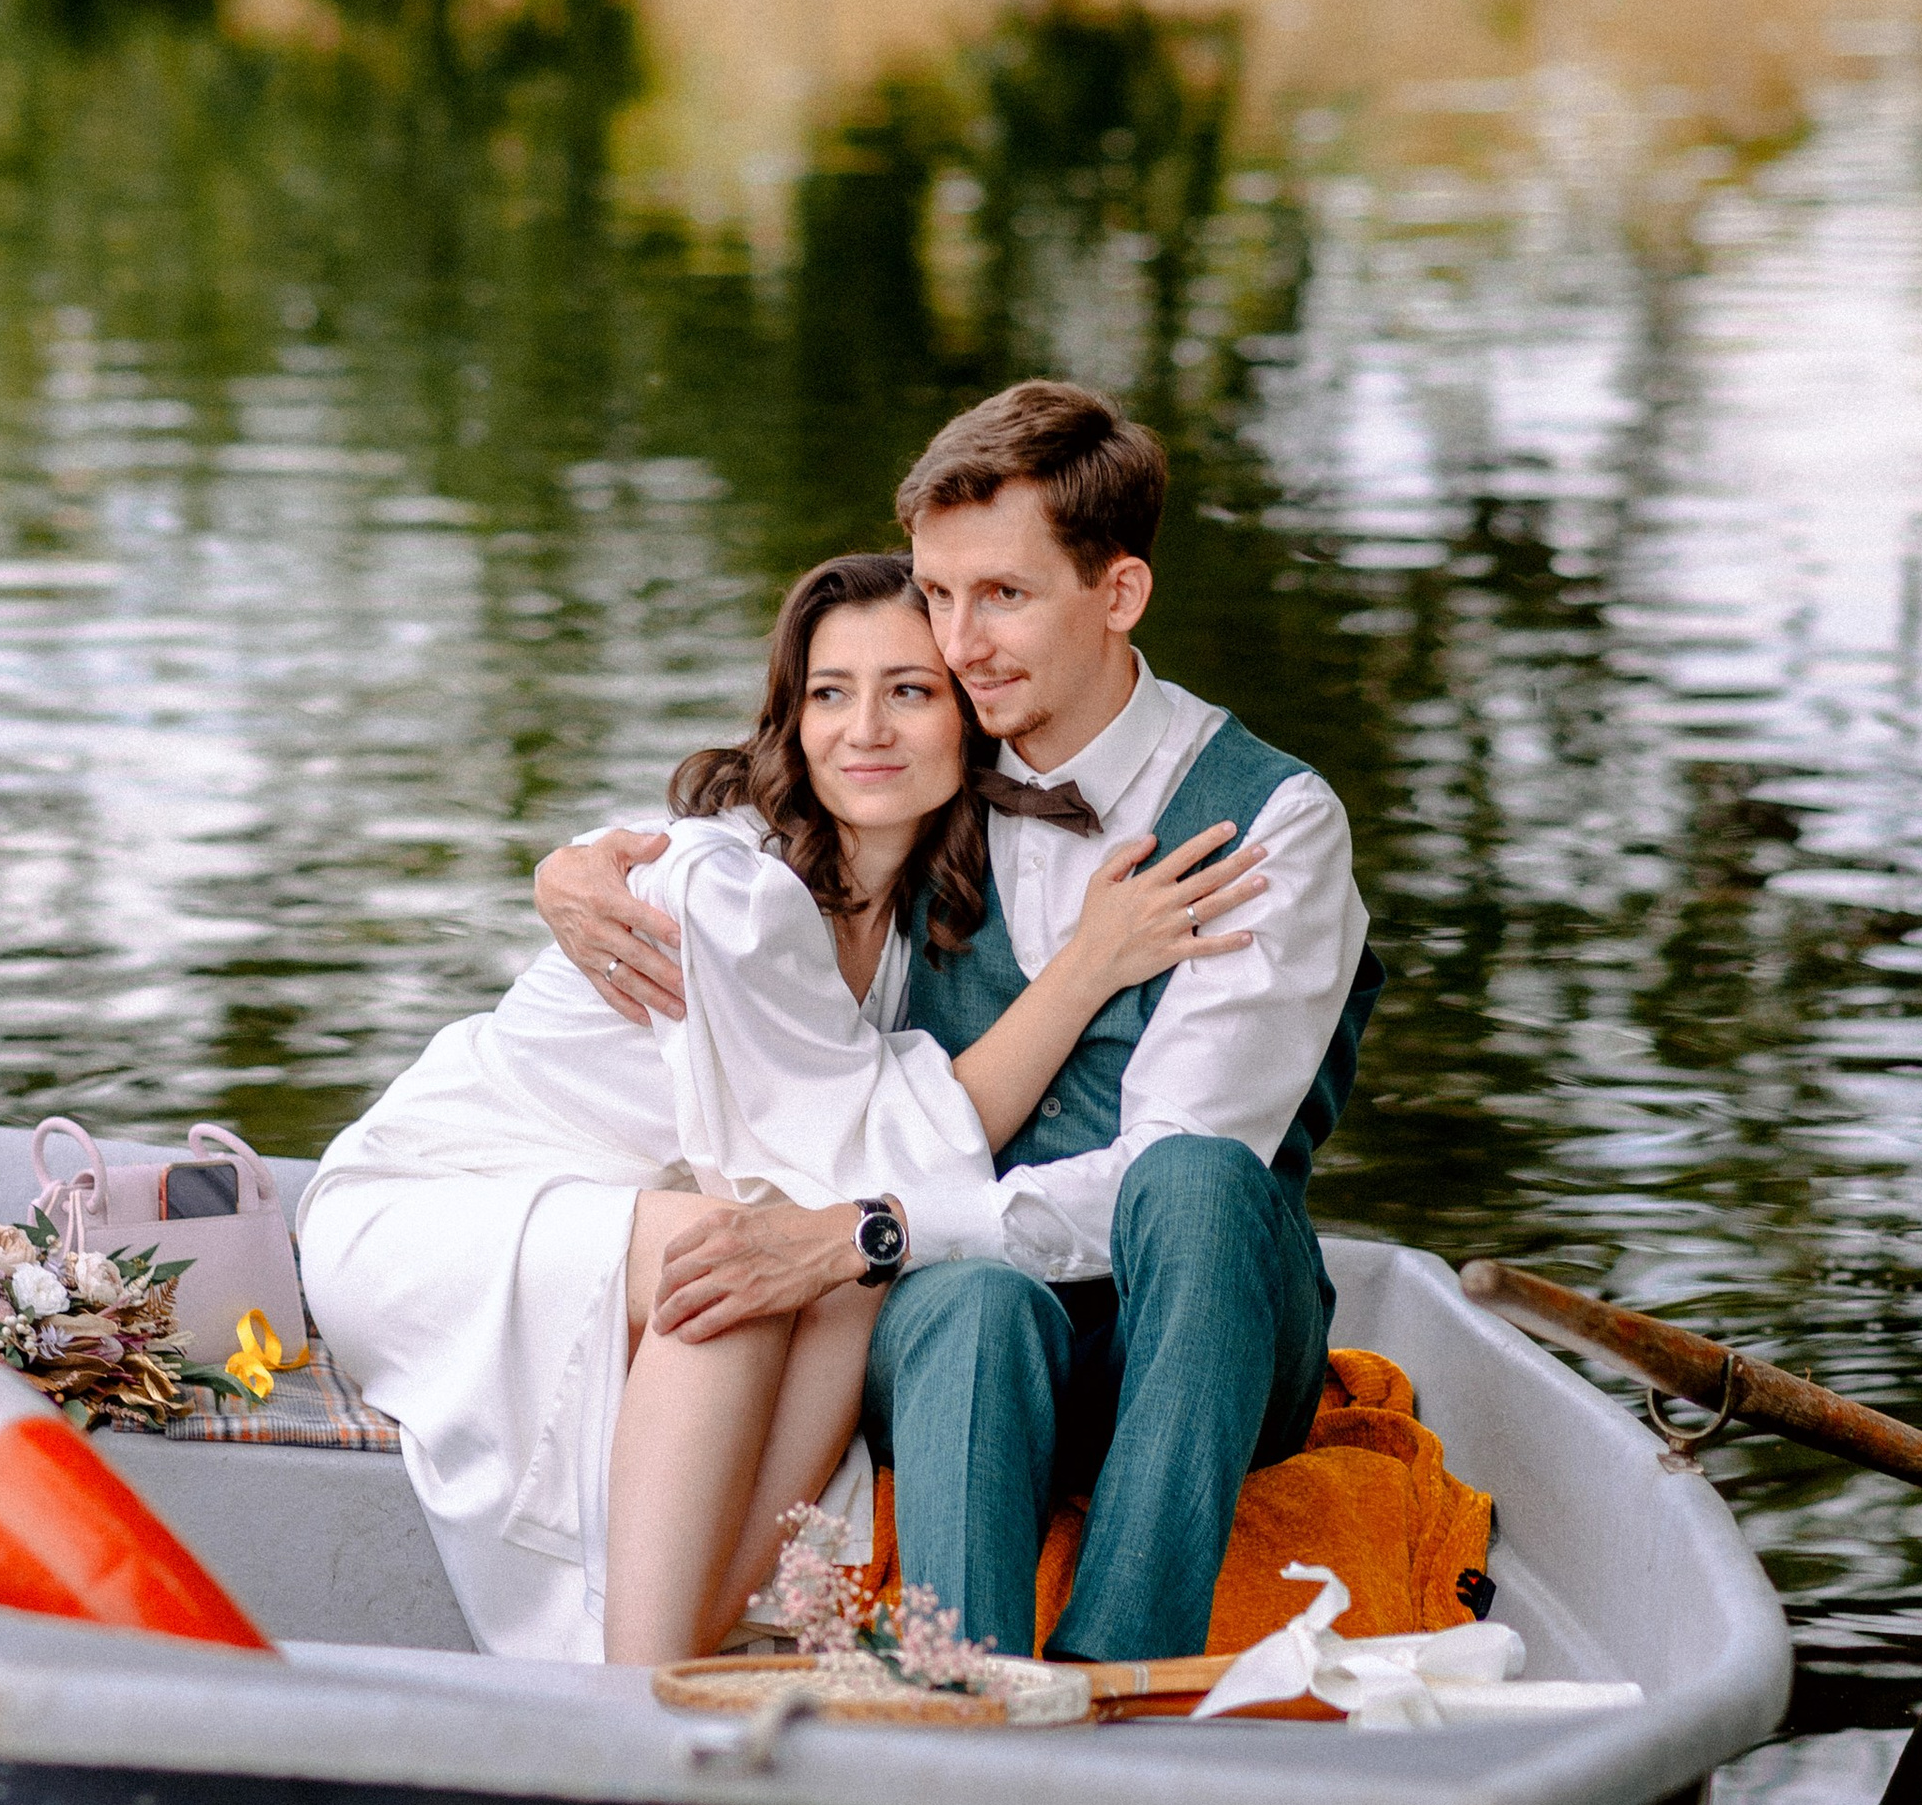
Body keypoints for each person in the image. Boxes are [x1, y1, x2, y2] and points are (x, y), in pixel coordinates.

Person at [535, 383, 1382, 1667]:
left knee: (1201, 1179)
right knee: (971, 1304)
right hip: (958, 1337)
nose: (960, 642)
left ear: (1119, 594)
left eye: (1003, 595)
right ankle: (960, 1692)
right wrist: (573, 869)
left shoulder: (1270, 819)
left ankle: (1114, 1668)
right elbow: (740, 827)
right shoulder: (931, 767)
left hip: (1201, 1344)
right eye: (938, 594)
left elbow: (1175, 1163)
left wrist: (867, 1228)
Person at [298, 549, 1258, 1666]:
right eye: (829, 693)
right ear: (791, 723)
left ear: (968, 718)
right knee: (737, 1257)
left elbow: (862, 1184)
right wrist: (1086, 966)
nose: (866, 729)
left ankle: (687, 1633)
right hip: (429, 1212)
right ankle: (633, 1688)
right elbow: (883, 1148)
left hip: (600, 1224)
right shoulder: (731, 884)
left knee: (842, 1269)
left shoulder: (902, 935)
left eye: (909, 689)